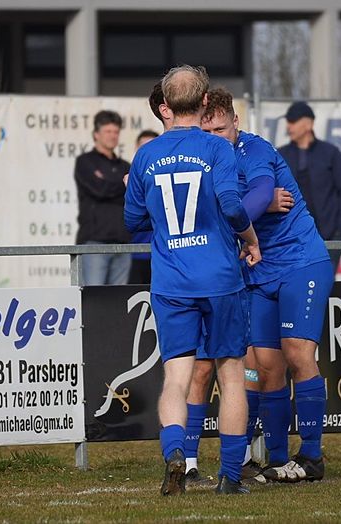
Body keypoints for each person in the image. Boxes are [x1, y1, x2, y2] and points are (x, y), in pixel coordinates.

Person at [124, 65, 261, 495]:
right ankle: (231, 477)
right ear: (204, 102)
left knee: (176, 378)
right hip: (220, 279)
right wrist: (251, 238)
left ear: (166, 105)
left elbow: (132, 219)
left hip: (171, 282)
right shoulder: (217, 148)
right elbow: (233, 206)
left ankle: (175, 455)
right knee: (231, 375)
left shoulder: (146, 155)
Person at [201, 88, 332, 484]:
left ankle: (311, 456)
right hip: (258, 270)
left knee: (297, 353)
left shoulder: (253, 150)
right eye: (207, 131)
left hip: (300, 263)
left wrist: (241, 213)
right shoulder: (206, 161)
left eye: (221, 129)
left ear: (235, 123)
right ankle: (277, 459)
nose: (214, 137)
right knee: (265, 365)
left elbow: (261, 191)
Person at [277, 101, 341, 270]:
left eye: (293, 121)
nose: (289, 126)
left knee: (324, 283)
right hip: (291, 240)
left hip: (328, 239)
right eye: (288, 121)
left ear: (308, 124)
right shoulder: (280, 155)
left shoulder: (331, 154)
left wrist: (340, 232)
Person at [74, 110, 131, 286]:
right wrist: (122, 185)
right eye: (108, 131)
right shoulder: (85, 162)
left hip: (123, 242)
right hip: (94, 242)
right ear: (96, 134)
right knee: (93, 296)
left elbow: (133, 194)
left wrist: (107, 183)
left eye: (116, 132)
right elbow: (99, 190)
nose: (112, 136)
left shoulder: (125, 166)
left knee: (119, 298)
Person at [128, 127, 162, 285]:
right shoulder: (129, 176)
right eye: (143, 147)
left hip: (163, 253)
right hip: (134, 253)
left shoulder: (166, 175)